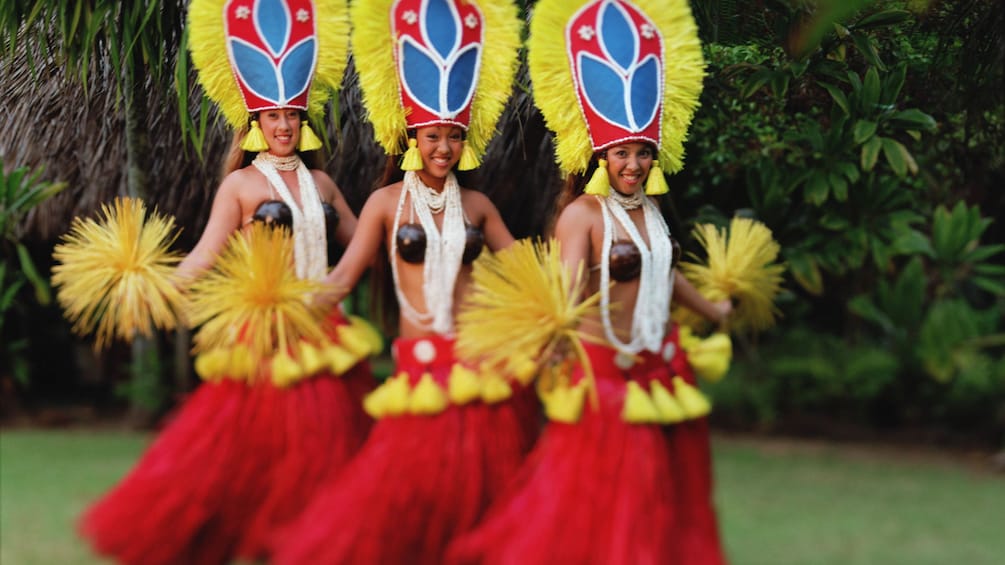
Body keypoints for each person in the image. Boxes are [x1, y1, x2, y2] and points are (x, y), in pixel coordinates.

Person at [77, 1, 377, 564]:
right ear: (256, 123)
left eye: (292, 115)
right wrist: (151, 284)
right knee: (258, 462)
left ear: (302, 120)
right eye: (273, 117)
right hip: (265, 341)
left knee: (328, 461)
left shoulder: (324, 183)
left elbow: (367, 247)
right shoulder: (240, 186)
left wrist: (401, 228)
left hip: (326, 337)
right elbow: (205, 257)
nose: (284, 125)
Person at [447, 0, 731, 563]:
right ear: (602, 152)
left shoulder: (651, 214)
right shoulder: (583, 216)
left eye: (643, 153)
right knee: (592, 511)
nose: (633, 164)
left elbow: (666, 279)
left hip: (658, 371)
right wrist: (544, 349)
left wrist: (714, 310)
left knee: (657, 506)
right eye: (623, 152)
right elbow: (566, 293)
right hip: (605, 381)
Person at [271, 1, 530, 563]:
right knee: (403, 499)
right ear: (413, 135)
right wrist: (287, 307)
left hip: (479, 365)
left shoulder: (479, 206)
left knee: (482, 499)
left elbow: (530, 274)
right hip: (420, 366)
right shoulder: (386, 205)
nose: (443, 148)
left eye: (454, 137)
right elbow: (344, 275)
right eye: (433, 136)